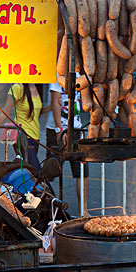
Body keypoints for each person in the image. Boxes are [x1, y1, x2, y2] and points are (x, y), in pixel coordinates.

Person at [45, 75, 90, 215]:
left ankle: (84, 209)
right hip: (59, 130)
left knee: (82, 171)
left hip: (76, 128)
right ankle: (50, 209)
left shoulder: (81, 75)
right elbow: (55, 101)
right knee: (50, 171)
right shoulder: (59, 76)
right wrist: (59, 129)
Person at [0, 83, 50, 171]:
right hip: (22, 136)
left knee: (29, 171)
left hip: (35, 137)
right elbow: (4, 114)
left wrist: (53, 106)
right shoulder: (17, 88)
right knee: (36, 171)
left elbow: (37, 112)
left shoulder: (38, 87)